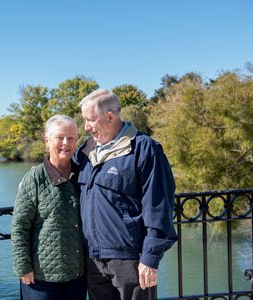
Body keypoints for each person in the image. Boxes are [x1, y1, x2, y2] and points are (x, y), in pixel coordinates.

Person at [74, 89, 177, 300]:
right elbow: (61, 167)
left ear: (110, 117)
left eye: (90, 120)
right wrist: (35, 178)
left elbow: (158, 205)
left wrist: (150, 258)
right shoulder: (86, 151)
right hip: (94, 259)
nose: (86, 127)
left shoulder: (143, 149)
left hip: (131, 260)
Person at [11, 115, 86, 300]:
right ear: (47, 140)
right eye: (60, 137)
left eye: (71, 138)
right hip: (41, 279)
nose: (65, 143)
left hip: (77, 277)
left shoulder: (83, 175)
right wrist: (23, 267)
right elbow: (20, 226)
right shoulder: (35, 178)